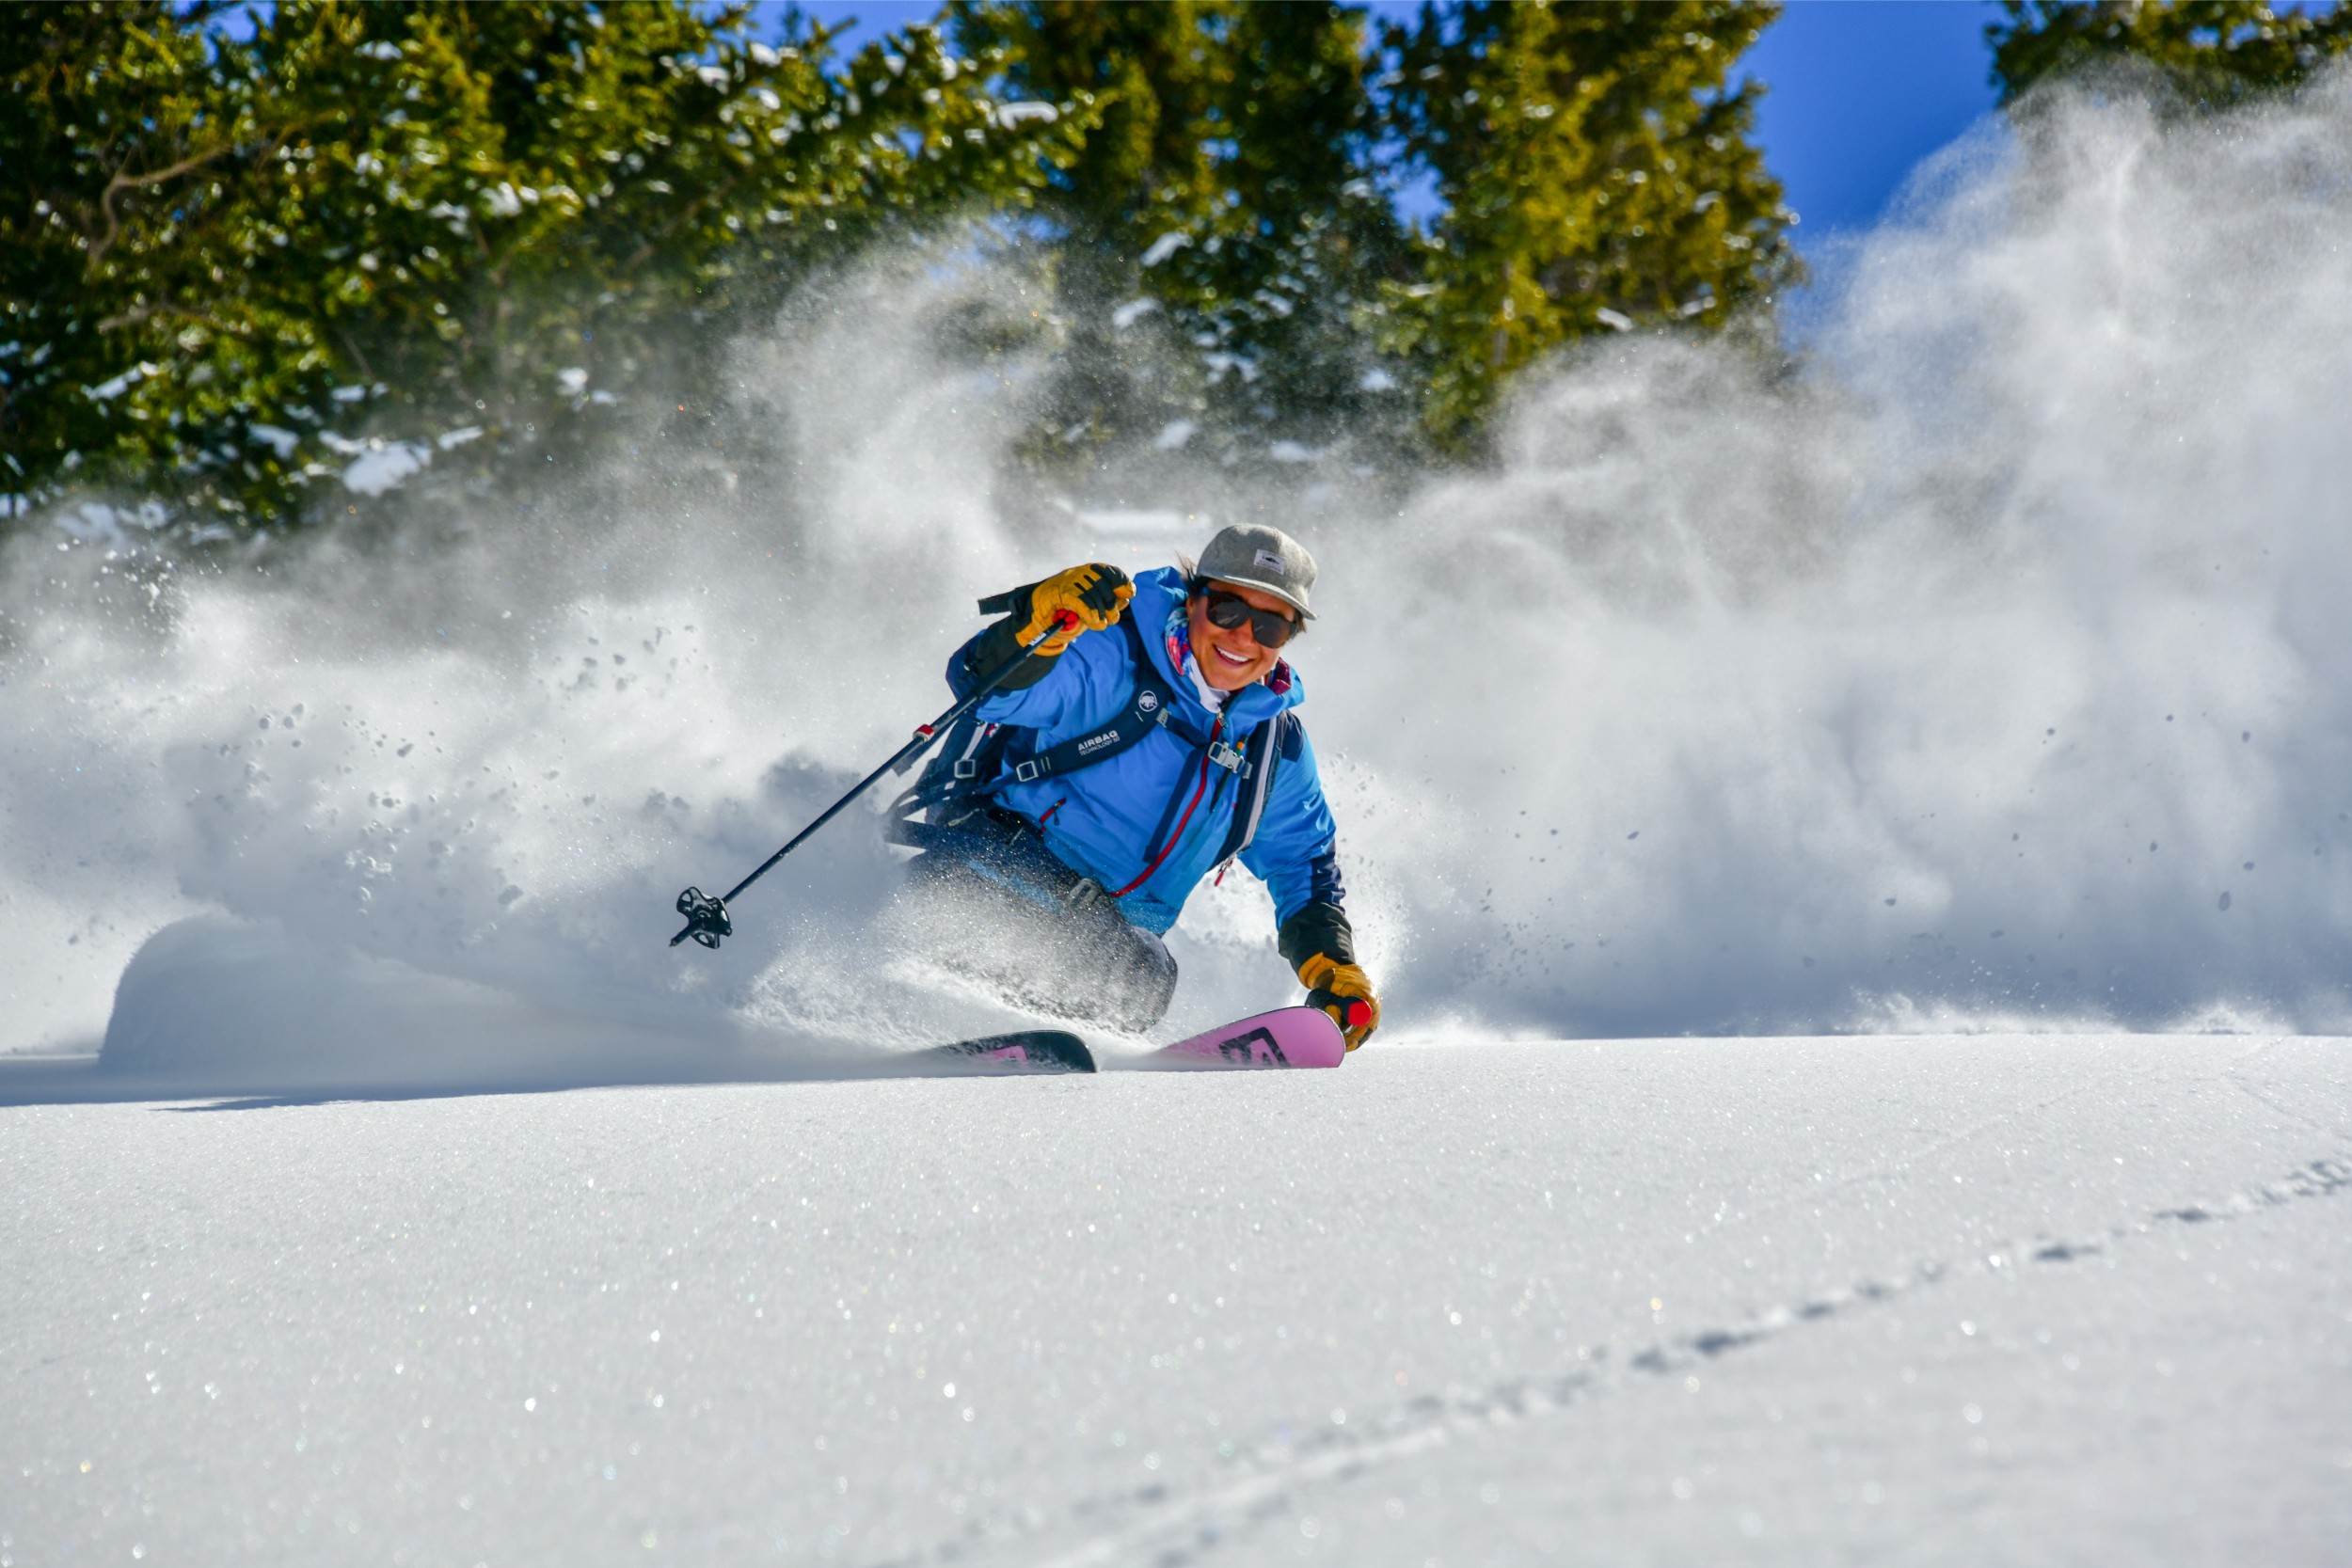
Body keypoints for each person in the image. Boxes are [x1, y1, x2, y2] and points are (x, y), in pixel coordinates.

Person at [888, 523, 1380, 1047]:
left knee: (1148, 982)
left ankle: (1030, 1042)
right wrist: (1039, 624)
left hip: (1107, 942)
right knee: (974, 926)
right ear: (1194, 600)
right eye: (1228, 610)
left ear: (1287, 640)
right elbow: (984, 690)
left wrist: (1335, 970)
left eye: (1269, 627)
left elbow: (1301, 863)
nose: (1242, 637)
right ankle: (915, 1014)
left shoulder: (1270, 748)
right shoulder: (1109, 653)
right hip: (988, 877)